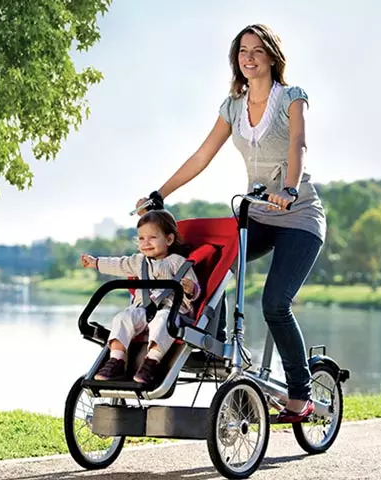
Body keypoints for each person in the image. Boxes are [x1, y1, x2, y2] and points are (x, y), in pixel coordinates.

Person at [135, 24, 326, 422]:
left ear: (272, 56)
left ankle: (301, 394)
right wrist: (160, 194)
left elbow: (298, 145)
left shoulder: (292, 98)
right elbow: (202, 156)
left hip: (299, 216)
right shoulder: (233, 106)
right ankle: (212, 344)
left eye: (258, 50)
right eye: (243, 51)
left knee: (275, 303)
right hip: (256, 214)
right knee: (209, 262)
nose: (249, 57)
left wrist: (288, 189)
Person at [80, 210, 201, 386]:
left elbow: (195, 291)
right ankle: (116, 361)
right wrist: (95, 263)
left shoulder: (177, 262)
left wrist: (191, 289)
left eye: (152, 237)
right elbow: (118, 265)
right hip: (143, 310)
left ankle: (152, 362)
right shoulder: (138, 261)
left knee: (162, 320)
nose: (146, 243)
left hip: (171, 312)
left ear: (168, 239)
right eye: (141, 239)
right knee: (122, 318)